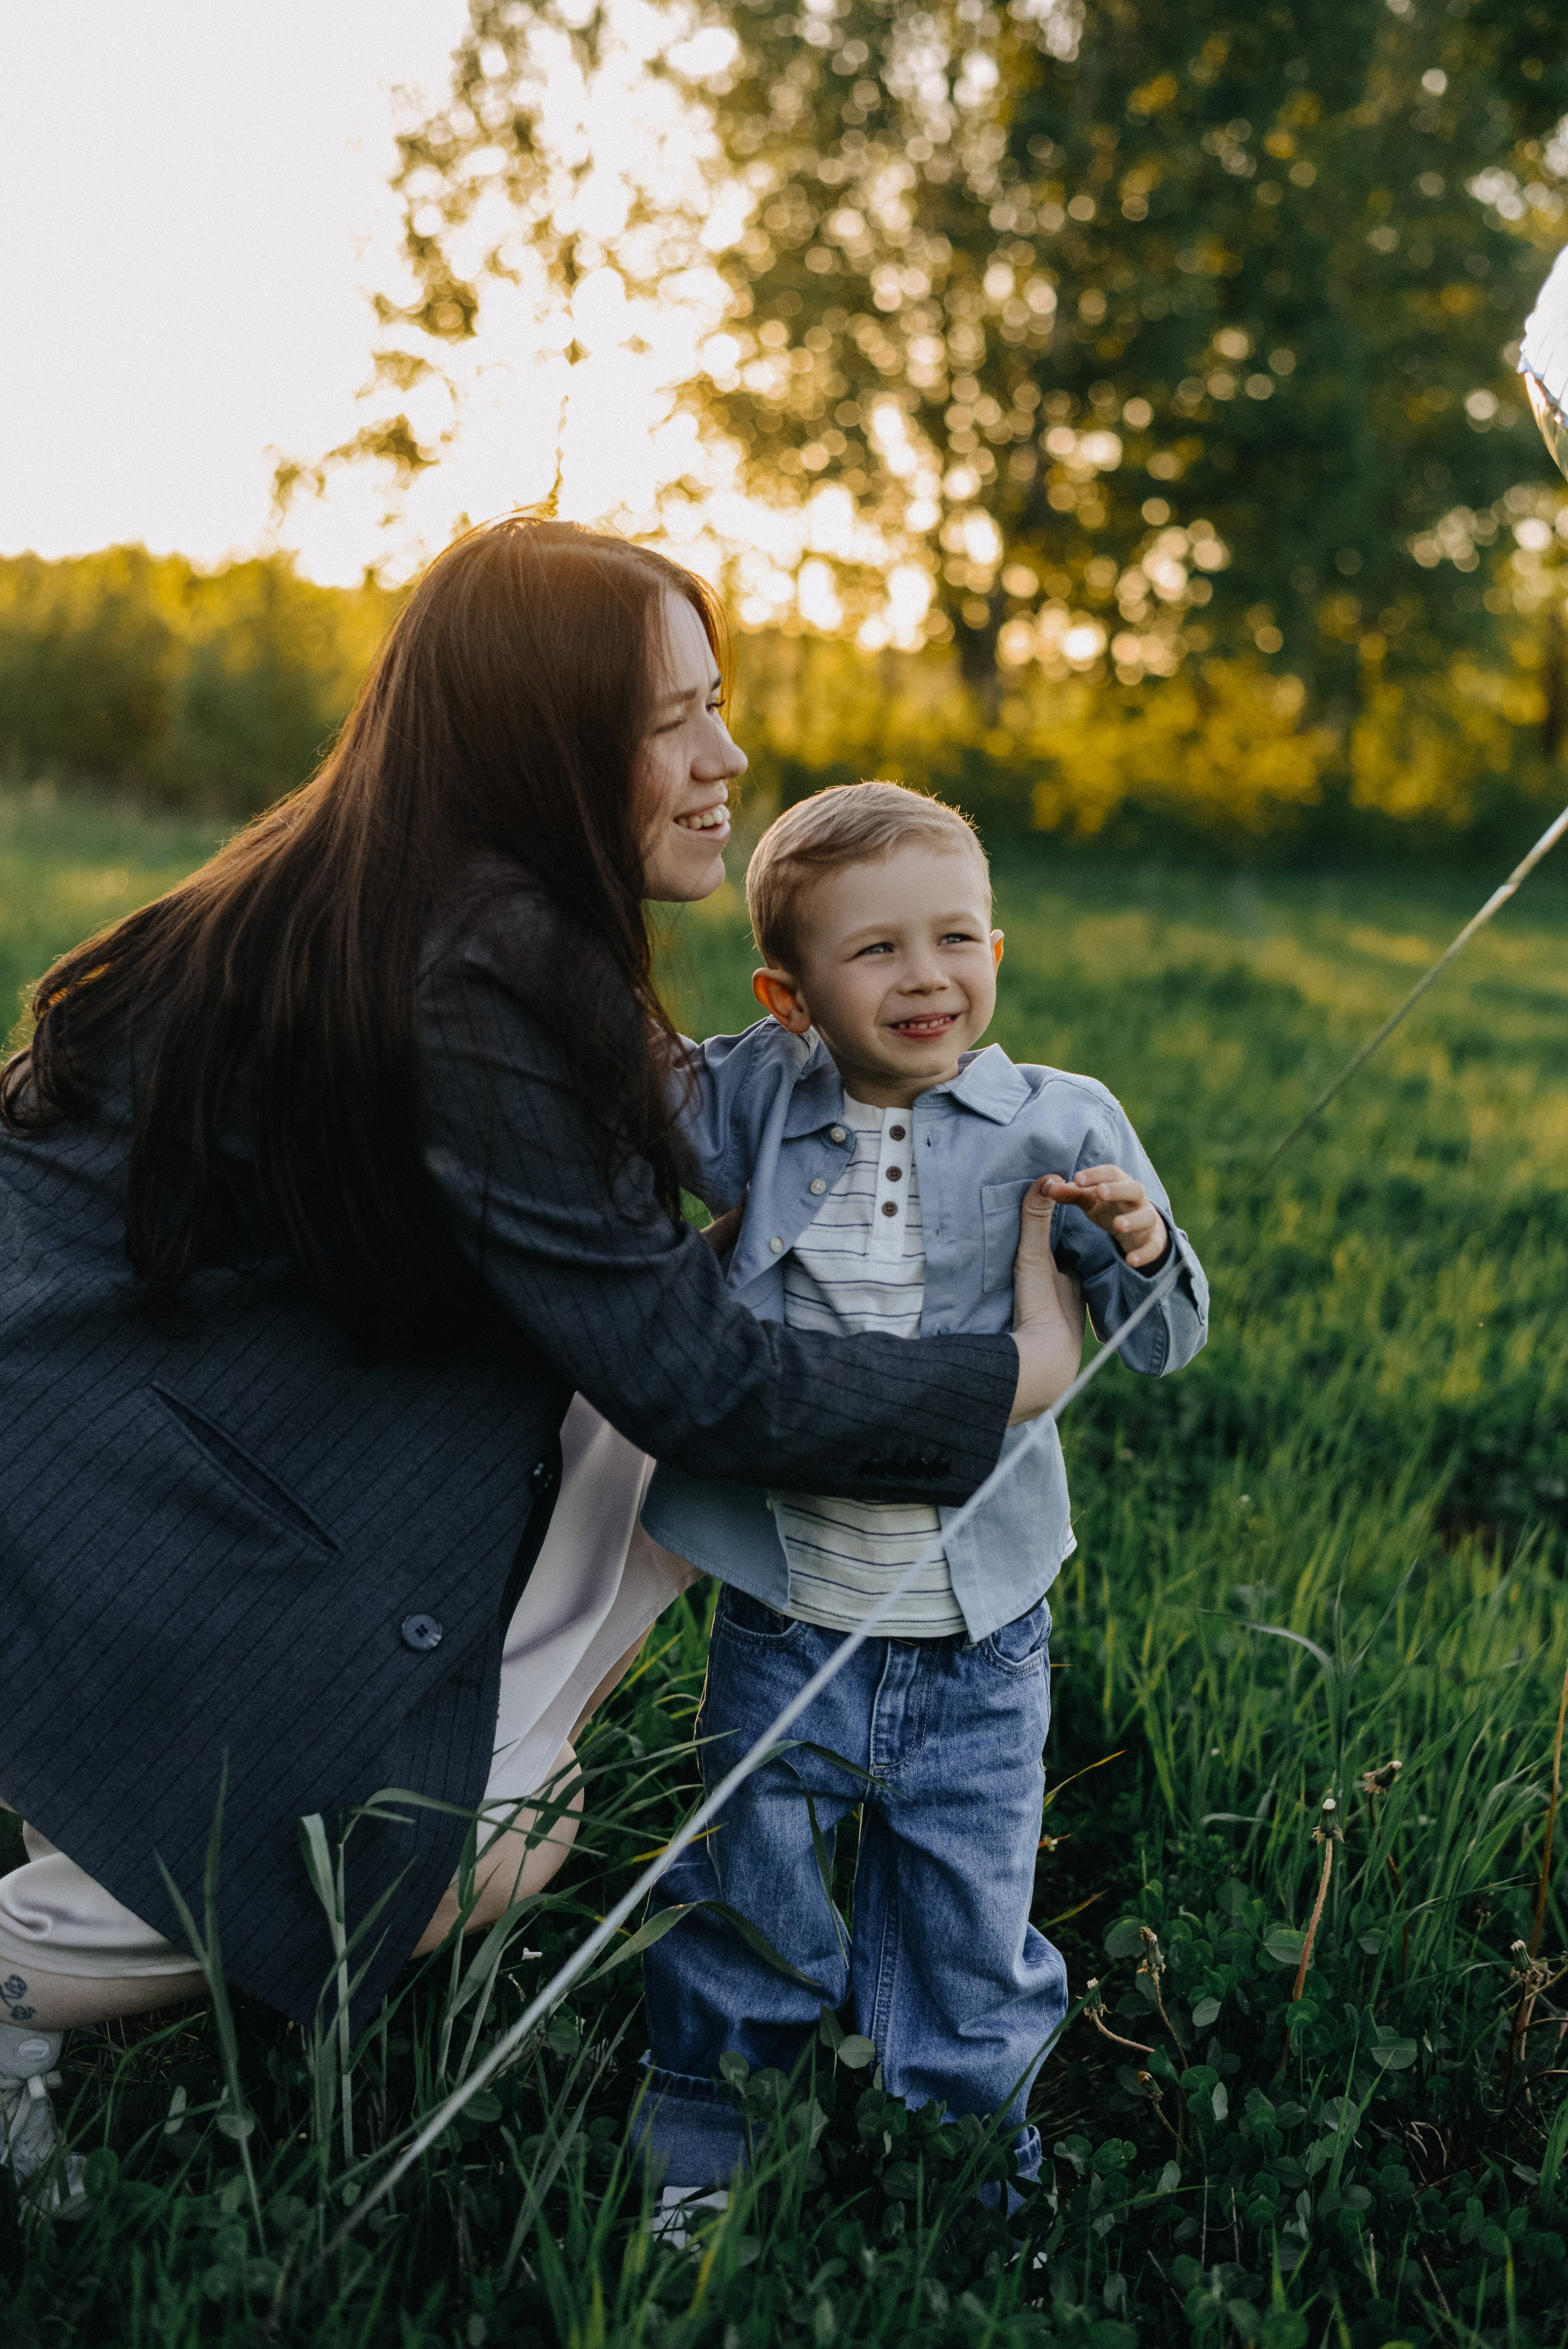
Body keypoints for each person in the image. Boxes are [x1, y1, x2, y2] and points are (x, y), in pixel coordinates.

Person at [0, 520, 1081, 2197]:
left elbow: (643, 1230)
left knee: (596, 1483)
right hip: (95, 1460)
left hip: (146, 1419)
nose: (726, 757)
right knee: (467, 1841)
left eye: (718, 704)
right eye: (673, 720)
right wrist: (1005, 1375)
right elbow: (695, 1381)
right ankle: (21, 1975)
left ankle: (110, 1844)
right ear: (537, 738)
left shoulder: (417, 886)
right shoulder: (475, 960)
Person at [635, 781, 1209, 2209]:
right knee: (745, 1902)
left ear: (997, 954)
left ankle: (962, 2176)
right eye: (873, 950)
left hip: (977, 1631)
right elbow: (627, 1110)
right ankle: (708, 2157)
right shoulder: (760, 1093)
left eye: (953, 936)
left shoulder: (1056, 1120)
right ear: (789, 994)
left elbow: (1166, 1340)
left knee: (963, 1922)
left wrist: (1136, 1244)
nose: (924, 976)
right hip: (782, 1609)